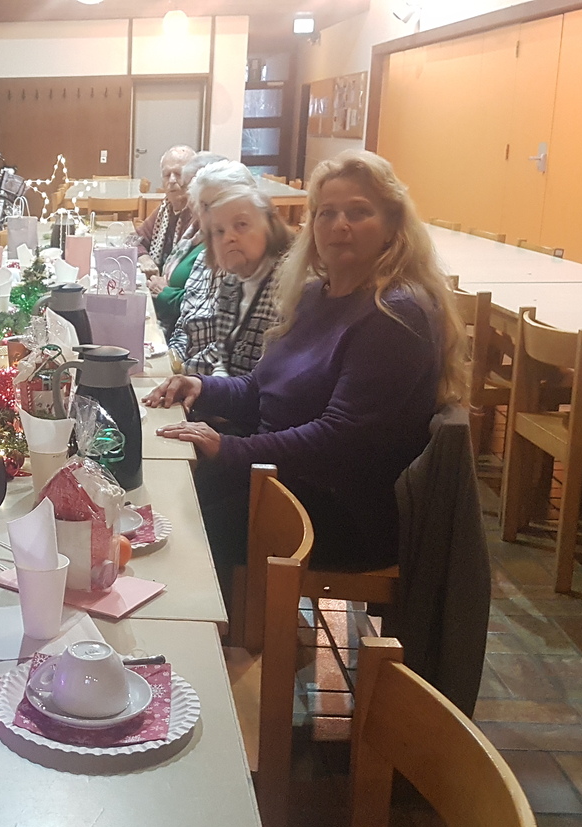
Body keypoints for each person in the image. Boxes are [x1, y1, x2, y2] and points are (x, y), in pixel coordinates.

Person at [145, 150, 467, 580]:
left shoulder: (395, 314)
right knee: (164, 496)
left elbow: (340, 440)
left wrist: (231, 449)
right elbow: (261, 388)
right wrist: (201, 387)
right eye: (326, 213)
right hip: (283, 477)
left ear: (393, 226)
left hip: (340, 510)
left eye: (359, 212)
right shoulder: (317, 293)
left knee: (180, 532)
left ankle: (229, 622)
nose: (339, 225)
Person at [168, 161, 291, 377]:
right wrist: (174, 365)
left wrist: (186, 376)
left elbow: (262, 379)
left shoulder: (286, 288)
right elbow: (222, 360)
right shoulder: (231, 284)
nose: (229, 237)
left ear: (268, 224)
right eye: (219, 230)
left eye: (241, 224)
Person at [153, 151, 227, 333]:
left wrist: (165, 293)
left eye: (189, 187)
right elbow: (139, 237)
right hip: (174, 327)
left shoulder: (220, 242)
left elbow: (207, 309)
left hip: (181, 332)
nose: (188, 197)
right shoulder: (192, 227)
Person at [136, 145, 198, 271]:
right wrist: (144, 258)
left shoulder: (199, 215)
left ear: (195, 177)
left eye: (179, 174)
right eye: (167, 175)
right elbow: (135, 240)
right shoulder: (165, 208)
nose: (172, 180)